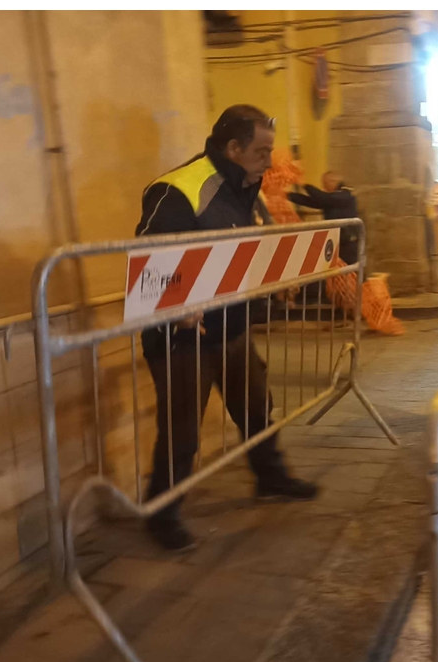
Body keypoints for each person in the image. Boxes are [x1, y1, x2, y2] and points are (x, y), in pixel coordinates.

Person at [135, 104, 318, 551]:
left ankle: (270, 477)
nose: (269, 160)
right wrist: (176, 306)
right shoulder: (179, 189)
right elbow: (147, 260)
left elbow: (254, 246)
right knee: (182, 432)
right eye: (261, 150)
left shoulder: (246, 188)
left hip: (231, 327)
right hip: (182, 339)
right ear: (232, 147)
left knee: (257, 408)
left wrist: (278, 282)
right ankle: (162, 514)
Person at [287, 171, 360, 265]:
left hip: (347, 243)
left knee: (349, 268)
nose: (324, 187)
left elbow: (323, 198)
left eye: (325, 184)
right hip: (337, 239)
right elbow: (313, 202)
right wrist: (289, 196)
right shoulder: (333, 197)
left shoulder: (346, 194)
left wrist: (305, 185)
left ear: (333, 181)